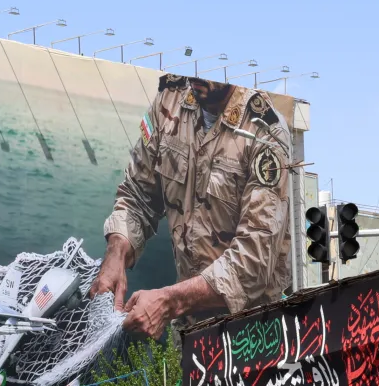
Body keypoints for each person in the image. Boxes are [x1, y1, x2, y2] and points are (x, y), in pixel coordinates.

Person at [91, 75, 293, 338]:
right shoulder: (169, 102)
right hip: (190, 331)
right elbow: (138, 194)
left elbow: (254, 262)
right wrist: (116, 253)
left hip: (253, 334)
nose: (195, 75)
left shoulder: (266, 132)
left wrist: (169, 301)